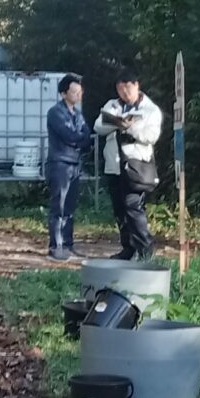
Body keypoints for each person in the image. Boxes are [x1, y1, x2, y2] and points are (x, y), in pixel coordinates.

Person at [94, 72, 163, 262]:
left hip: (135, 165)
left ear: (136, 85)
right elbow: (98, 126)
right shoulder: (112, 105)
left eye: (128, 88)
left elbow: (151, 136)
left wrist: (130, 128)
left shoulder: (150, 109)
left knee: (133, 206)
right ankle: (128, 248)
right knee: (120, 209)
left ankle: (145, 248)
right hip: (114, 164)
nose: (125, 93)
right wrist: (118, 123)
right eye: (120, 89)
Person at [43, 74, 92, 259]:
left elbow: (86, 136)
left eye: (80, 91)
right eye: (74, 91)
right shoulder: (55, 112)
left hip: (74, 163)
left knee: (70, 208)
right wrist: (81, 137)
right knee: (59, 206)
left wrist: (81, 138)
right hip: (60, 163)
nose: (79, 94)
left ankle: (68, 245)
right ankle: (56, 246)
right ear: (64, 94)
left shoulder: (78, 114)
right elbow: (69, 136)